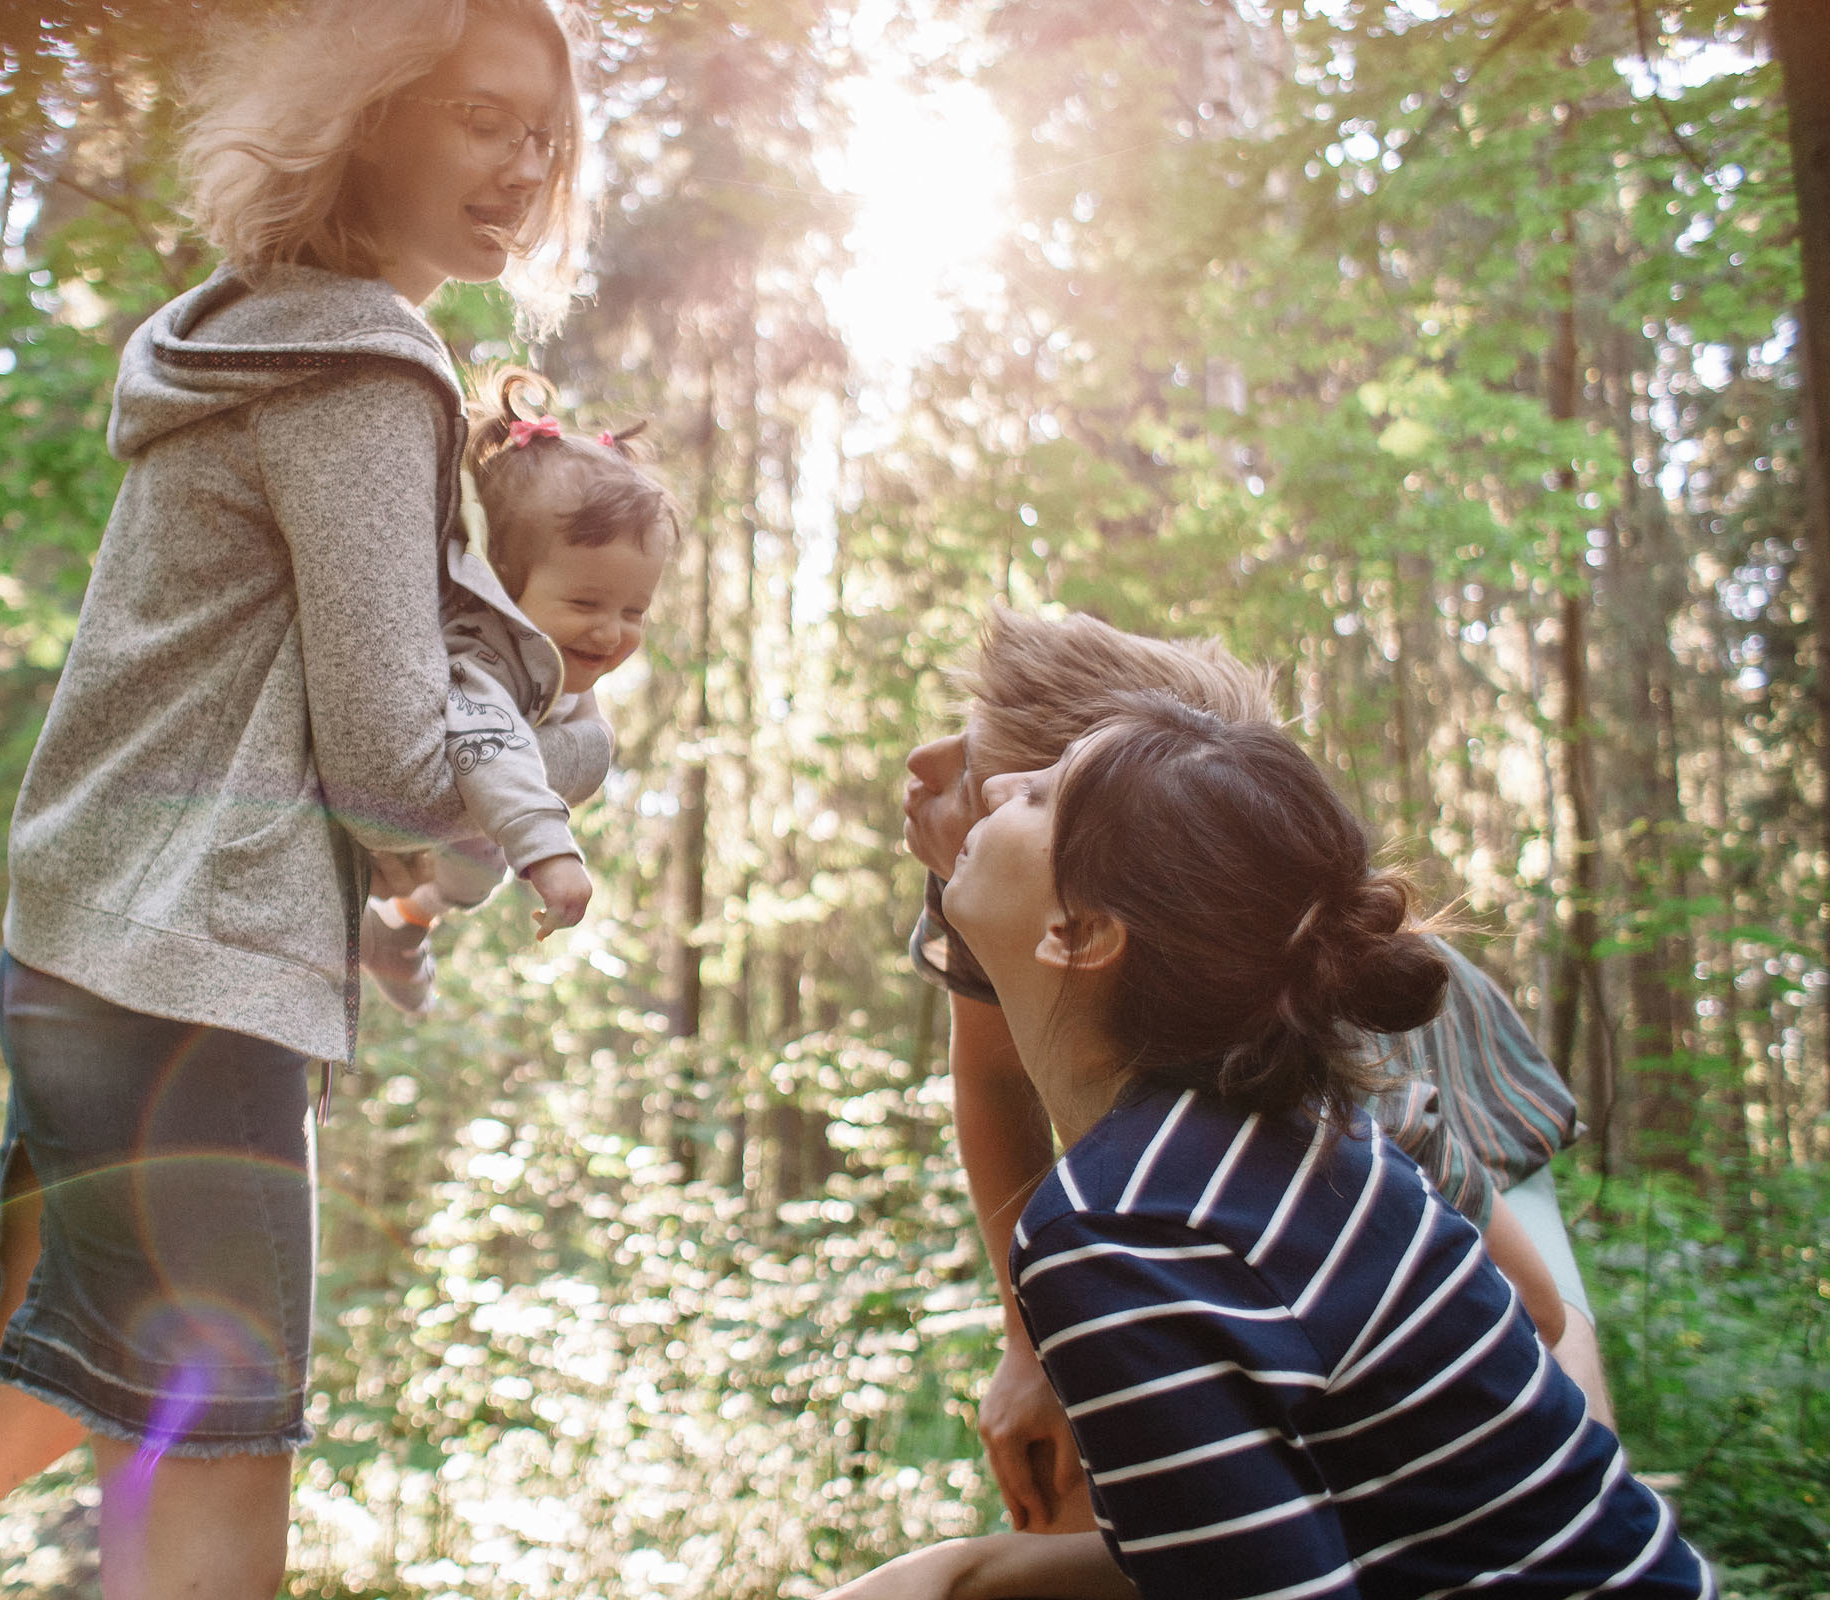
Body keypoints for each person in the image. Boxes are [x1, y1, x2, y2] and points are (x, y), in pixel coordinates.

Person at [0, 5, 594, 1597]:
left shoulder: (249, 325)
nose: (520, 168)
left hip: (88, 957)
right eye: (479, 119)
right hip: (189, 995)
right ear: (372, 115)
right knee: (215, 1504)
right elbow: (384, 775)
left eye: (543, 136)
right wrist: (574, 764)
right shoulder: (363, 364)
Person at [830, 696, 1711, 1599]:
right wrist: (959, 1573)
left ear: (1080, 933)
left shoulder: (1118, 1235)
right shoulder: (1302, 1139)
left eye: (1041, 797)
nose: (1001, 783)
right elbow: (1275, 1541)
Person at [902, 609, 1609, 1536]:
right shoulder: (992, 887)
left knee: (1549, 1424)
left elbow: (1531, 1316)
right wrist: (1027, 1347)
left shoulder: (1334, 1086)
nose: (926, 762)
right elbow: (993, 1082)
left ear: (1100, 885)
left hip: (1445, 1087)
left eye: (984, 773)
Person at [359, 371, 677, 1012]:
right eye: (586, 602)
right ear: (503, 584)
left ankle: (400, 924)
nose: (610, 631)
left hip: (461, 824)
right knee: (479, 866)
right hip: (401, 806)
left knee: (475, 875)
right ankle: (395, 923)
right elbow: (490, 741)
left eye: (634, 611)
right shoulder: (481, 655)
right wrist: (551, 853)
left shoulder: (548, 650)